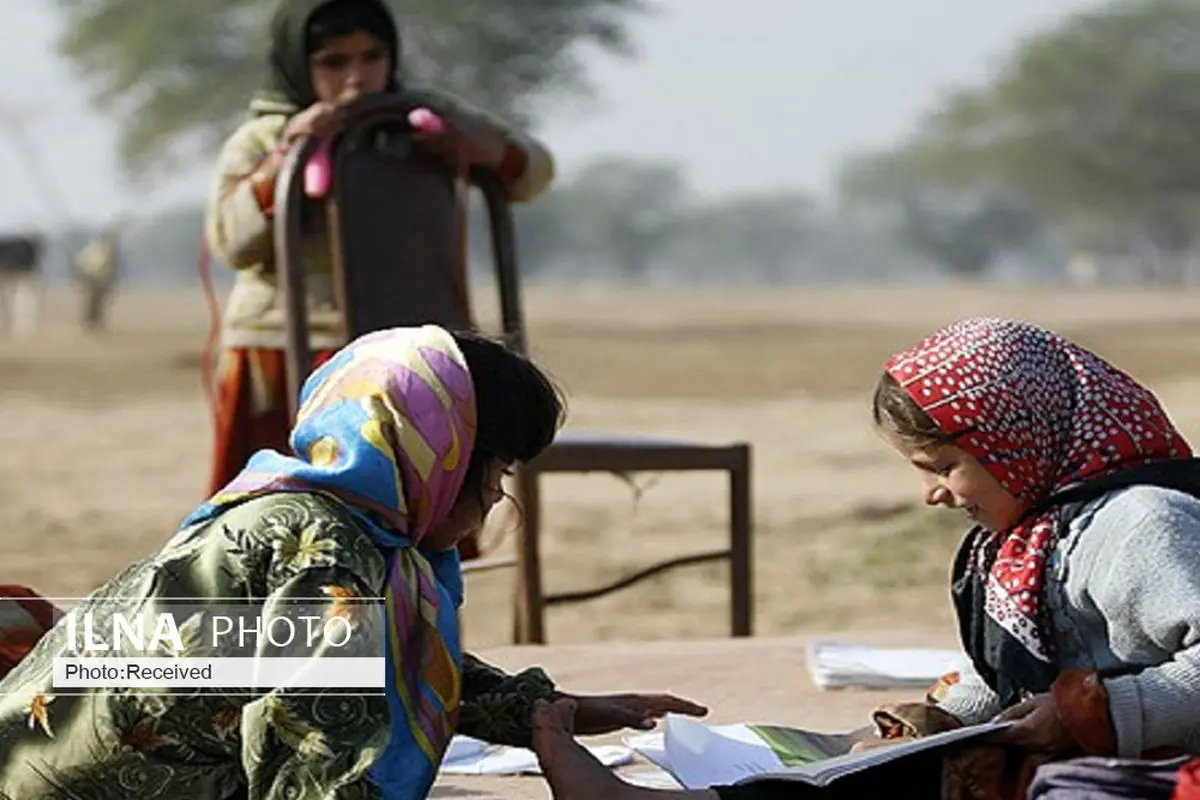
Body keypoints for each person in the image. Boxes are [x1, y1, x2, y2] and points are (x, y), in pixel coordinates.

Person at [0, 325, 704, 799]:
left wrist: (546, 712)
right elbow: (315, 764)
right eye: (498, 469)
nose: (497, 495)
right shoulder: (325, 552)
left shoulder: (318, 515)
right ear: (439, 458)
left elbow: (373, 660)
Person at [526, 317, 1200, 800]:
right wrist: (945, 716)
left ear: (1018, 441)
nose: (932, 493)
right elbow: (1014, 665)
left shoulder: (1142, 523)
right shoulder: (1033, 536)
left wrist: (1101, 709)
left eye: (945, 465)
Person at [204, 0, 555, 561]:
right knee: (277, 530)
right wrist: (289, 157)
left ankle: (416, 634)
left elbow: (533, 169)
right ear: (300, 64)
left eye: (372, 57)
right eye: (333, 62)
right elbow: (231, 240)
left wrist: (473, 147)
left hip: (402, 354)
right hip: (287, 349)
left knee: (423, 521)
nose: (355, 77)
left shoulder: (422, 117)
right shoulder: (264, 136)